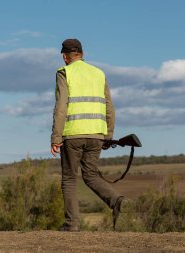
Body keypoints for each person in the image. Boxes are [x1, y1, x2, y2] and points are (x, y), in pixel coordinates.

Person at [51, 38, 126, 231]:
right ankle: (116, 200)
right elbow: (109, 106)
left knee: (69, 178)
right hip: (97, 134)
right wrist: (108, 134)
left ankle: (72, 224)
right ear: (83, 55)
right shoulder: (99, 73)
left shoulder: (64, 73)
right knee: (91, 175)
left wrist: (56, 137)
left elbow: (61, 107)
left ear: (64, 56)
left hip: (73, 134)